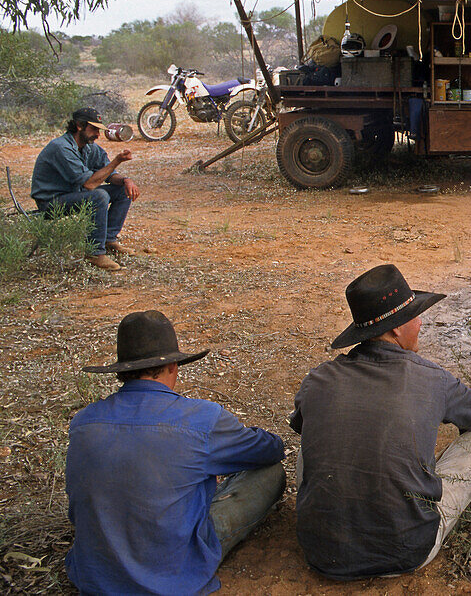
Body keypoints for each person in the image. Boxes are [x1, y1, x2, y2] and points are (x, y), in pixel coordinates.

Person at [291, 264, 471, 579]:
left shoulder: (318, 379)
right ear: (396, 329)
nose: (421, 321)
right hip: (407, 550)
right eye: (415, 315)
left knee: (315, 439)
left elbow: (302, 427)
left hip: (322, 552)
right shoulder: (433, 378)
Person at [65, 310, 286, 595]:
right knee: (269, 473)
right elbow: (271, 449)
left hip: (96, 575)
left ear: (122, 371)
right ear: (173, 367)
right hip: (174, 574)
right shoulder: (201, 418)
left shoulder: (84, 421)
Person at [31, 107, 140, 271]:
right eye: (94, 129)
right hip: (51, 203)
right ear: (79, 125)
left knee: (122, 189)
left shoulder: (89, 147)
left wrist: (126, 180)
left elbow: (108, 173)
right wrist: (117, 160)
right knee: (99, 195)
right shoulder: (61, 147)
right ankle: (95, 253)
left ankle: (109, 239)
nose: (97, 134)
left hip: (74, 195)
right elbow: (89, 184)